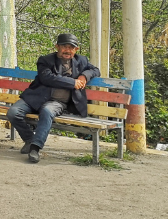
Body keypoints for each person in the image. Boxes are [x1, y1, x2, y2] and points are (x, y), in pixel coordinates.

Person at [6, 33, 100, 163]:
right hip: (36, 97)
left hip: (58, 102)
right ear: (57, 47)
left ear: (76, 49)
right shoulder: (45, 60)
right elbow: (48, 78)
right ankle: (29, 139)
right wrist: (73, 83)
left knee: (47, 111)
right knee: (13, 112)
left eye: (71, 47)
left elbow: (95, 70)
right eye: (64, 47)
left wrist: (84, 76)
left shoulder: (81, 61)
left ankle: (35, 148)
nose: (67, 50)